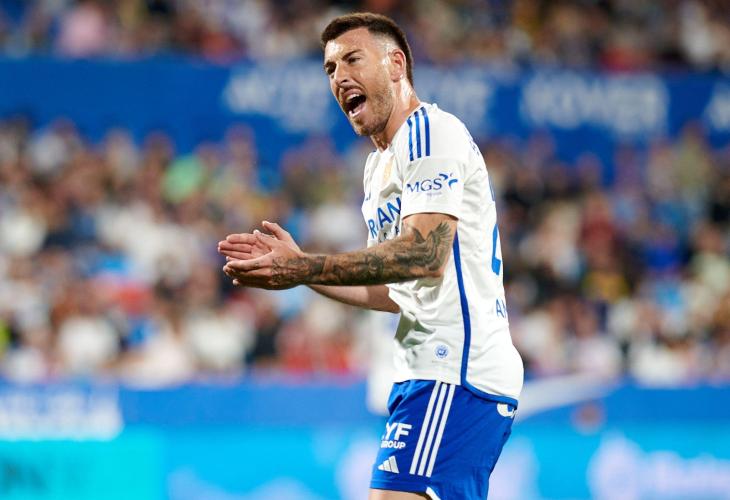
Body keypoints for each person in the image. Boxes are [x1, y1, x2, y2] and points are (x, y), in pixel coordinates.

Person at [218, 12, 523, 500]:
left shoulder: (430, 131)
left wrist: (305, 265)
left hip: (456, 367)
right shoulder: (378, 167)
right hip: (422, 371)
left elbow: (424, 254)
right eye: (330, 69)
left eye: (352, 60)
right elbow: (394, 290)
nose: (339, 77)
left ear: (396, 65)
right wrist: (300, 274)